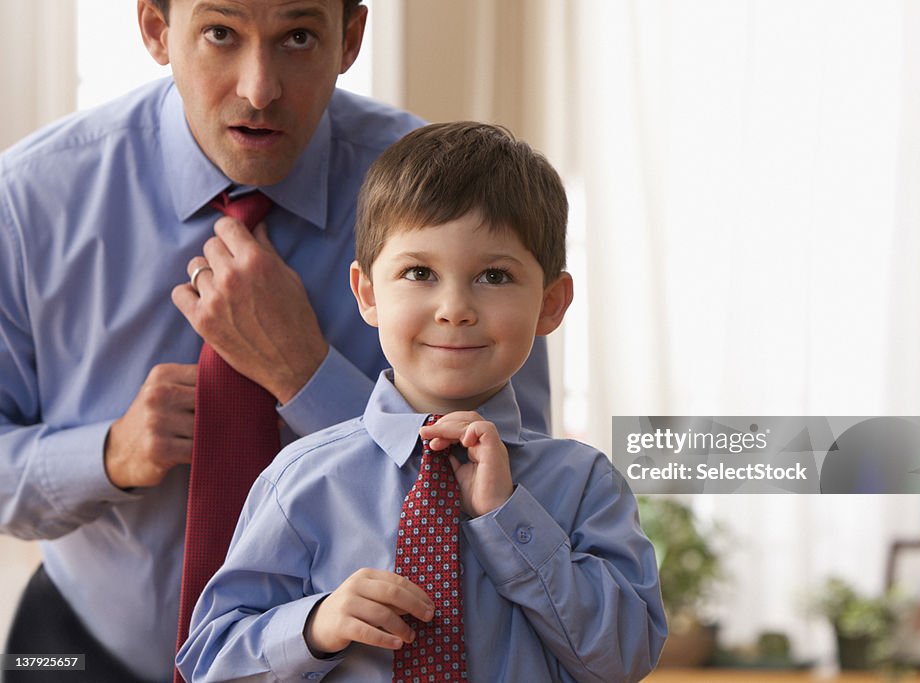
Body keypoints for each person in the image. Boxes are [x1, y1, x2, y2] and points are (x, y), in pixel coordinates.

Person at [0, 2, 550, 681]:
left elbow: (519, 495)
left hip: (354, 665)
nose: (260, 88)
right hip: (77, 649)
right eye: (220, 33)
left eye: (297, 37)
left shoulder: (456, 198)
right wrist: (109, 454)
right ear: (154, 30)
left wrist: (308, 376)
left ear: (349, 39)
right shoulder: (29, 201)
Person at [176, 122, 667, 682]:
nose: (454, 308)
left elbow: (623, 659)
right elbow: (210, 662)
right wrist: (314, 626)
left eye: (494, 275)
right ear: (367, 293)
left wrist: (510, 519)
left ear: (551, 304)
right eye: (419, 273)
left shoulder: (585, 485)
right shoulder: (299, 482)